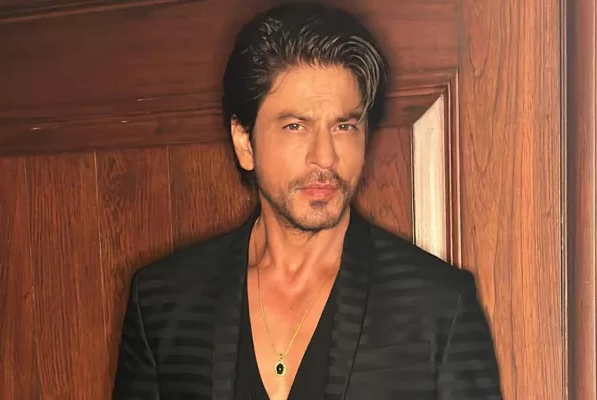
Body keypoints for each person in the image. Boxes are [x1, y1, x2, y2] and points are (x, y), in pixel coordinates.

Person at [113, 2, 502, 399]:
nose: (325, 157)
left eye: (344, 126)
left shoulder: (439, 306)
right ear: (245, 142)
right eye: (296, 126)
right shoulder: (164, 300)